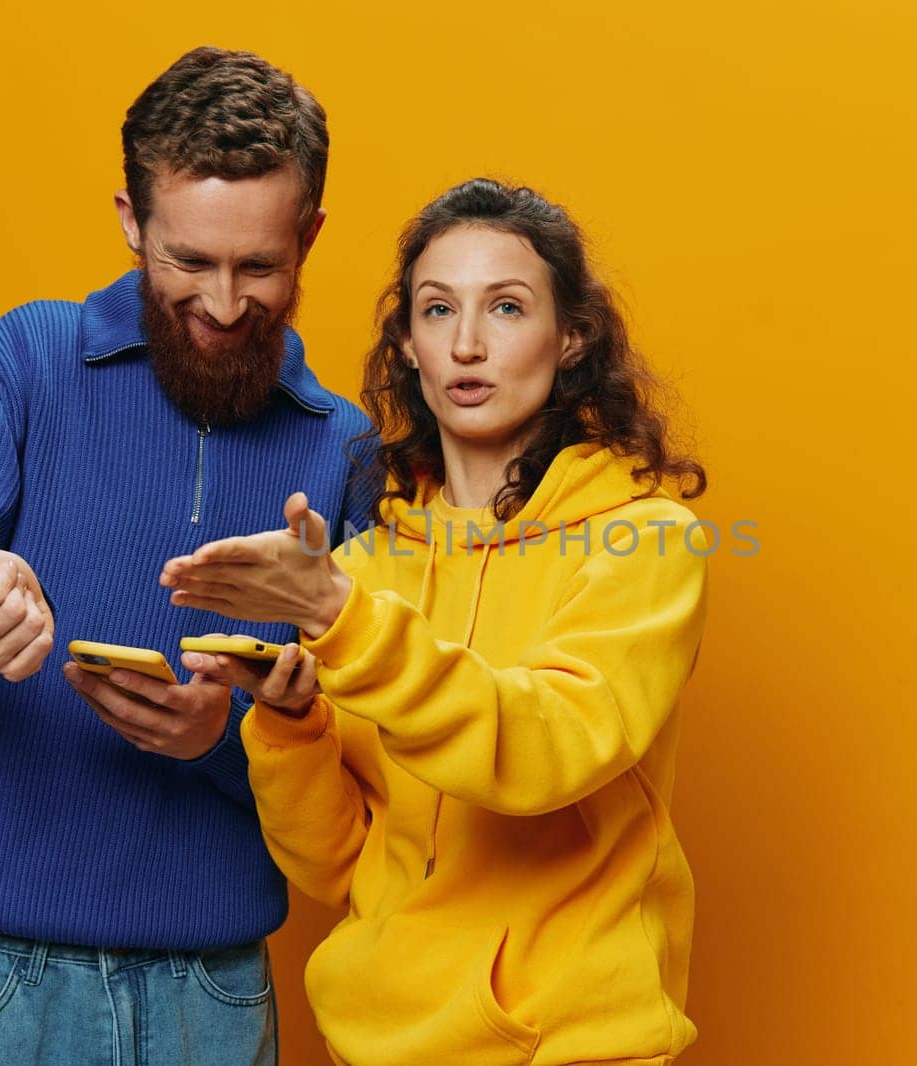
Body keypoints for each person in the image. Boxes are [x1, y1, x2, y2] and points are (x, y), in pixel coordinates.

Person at [0, 46, 374, 1064]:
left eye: (259, 267)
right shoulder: (28, 359)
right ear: (130, 221)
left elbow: (362, 739)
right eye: (186, 262)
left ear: (310, 235)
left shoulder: (341, 445)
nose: (220, 302)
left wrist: (230, 730)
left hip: (210, 986)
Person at [161, 178, 710, 1065]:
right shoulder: (364, 570)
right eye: (437, 308)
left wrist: (344, 624)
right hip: (374, 1042)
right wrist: (292, 722)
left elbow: (547, 751)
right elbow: (338, 868)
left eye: (506, 307)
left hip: (567, 1046)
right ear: (408, 345)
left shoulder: (645, 544)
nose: (467, 343)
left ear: (570, 338)